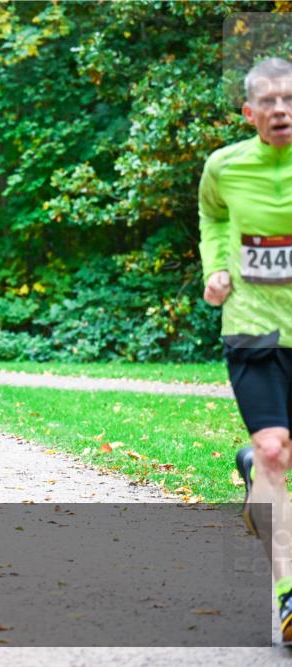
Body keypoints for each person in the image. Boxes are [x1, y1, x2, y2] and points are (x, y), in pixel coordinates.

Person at [198, 56, 292, 645]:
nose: (282, 110)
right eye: (271, 102)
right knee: (276, 451)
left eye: (291, 100)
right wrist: (215, 270)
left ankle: (252, 469)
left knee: (270, 461)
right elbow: (210, 217)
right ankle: (288, 591)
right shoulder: (224, 166)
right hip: (253, 329)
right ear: (249, 112)